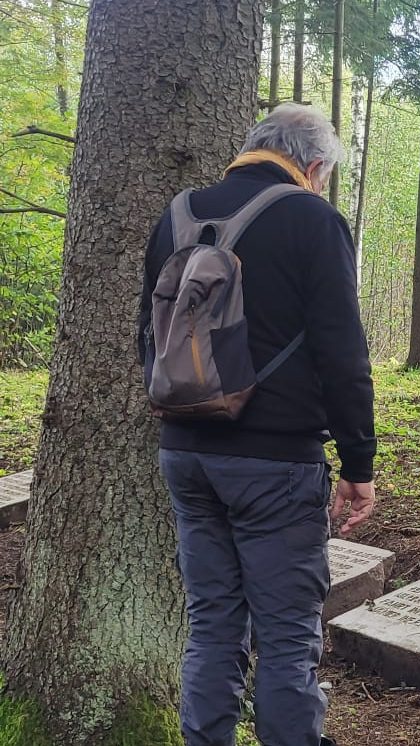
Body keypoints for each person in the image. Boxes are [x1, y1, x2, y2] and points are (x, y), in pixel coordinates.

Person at [137, 103, 376, 746]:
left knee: (212, 625)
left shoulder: (179, 214)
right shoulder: (313, 219)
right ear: (315, 166)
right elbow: (342, 351)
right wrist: (358, 462)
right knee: (288, 638)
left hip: (185, 454)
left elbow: (146, 337)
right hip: (275, 462)